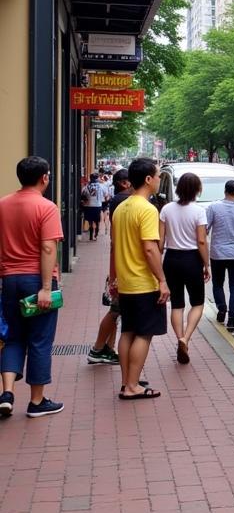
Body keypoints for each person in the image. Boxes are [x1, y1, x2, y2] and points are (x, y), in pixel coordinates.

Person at [0, 156, 64, 418]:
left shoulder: (3, 204)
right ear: (45, 177)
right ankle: (37, 401)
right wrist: (46, 288)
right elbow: (48, 247)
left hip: (9, 279)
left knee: (13, 337)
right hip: (36, 279)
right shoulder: (46, 207)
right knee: (39, 339)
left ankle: (7, 392)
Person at [110, 158, 167, 399]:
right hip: (143, 283)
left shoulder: (121, 208)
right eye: (157, 176)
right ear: (147, 179)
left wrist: (112, 278)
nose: (158, 180)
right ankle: (133, 386)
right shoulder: (147, 209)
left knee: (127, 332)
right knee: (144, 334)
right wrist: (162, 280)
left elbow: (113, 247)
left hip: (125, 282)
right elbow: (150, 249)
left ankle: (127, 383)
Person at [159, 172, 210, 365]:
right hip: (192, 259)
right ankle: (185, 338)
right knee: (197, 303)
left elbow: (161, 241)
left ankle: (179, 337)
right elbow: (202, 241)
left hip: (171, 259)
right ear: (197, 189)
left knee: (177, 304)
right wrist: (207, 264)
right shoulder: (199, 211)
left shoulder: (166, 209)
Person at [88, 168, 132, 366]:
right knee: (115, 310)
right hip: (125, 268)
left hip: (120, 265)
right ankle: (98, 348)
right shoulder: (124, 201)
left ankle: (107, 349)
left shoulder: (117, 200)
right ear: (125, 182)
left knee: (117, 310)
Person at [206, 179, 234, 331]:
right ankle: (232, 319)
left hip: (218, 252)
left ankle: (222, 309)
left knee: (218, 283)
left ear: (225, 191)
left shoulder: (214, 207)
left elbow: (206, 228)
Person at [82, 172, 103, 240]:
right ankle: (97, 229)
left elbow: (83, 193)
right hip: (97, 205)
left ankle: (91, 234)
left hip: (88, 205)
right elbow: (105, 194)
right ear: (97, 178)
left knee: (90, 221)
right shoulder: (100, 186)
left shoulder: (87, 186)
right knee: (97, 220)